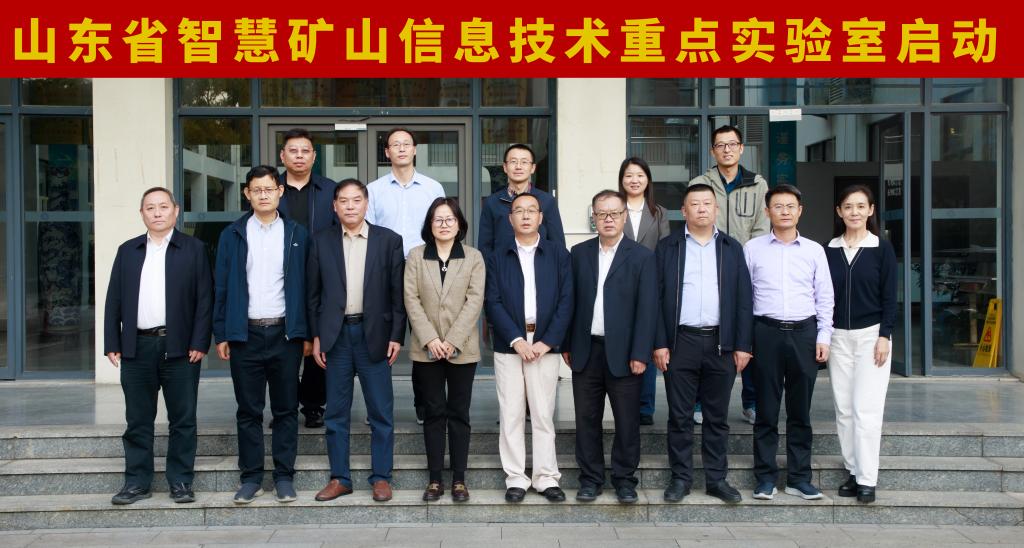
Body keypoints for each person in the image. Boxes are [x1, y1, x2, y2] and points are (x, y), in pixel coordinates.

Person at [104, 187, 212, 505]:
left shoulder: (194, 249)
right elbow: (114, 298)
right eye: (150, 208)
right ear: (142, 214)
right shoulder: (128, 250)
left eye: (163, 206)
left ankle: (181, 481)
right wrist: (112, 341)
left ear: (175, 211)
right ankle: (137, 482)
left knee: (183, 418)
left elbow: (205, 299)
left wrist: (200, 341)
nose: (157, 213)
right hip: (137, 346)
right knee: (138, 419)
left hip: (181, 347)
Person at [213, 165, 310, 505]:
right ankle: (251, 477)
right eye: (257, 190)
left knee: (286, 409)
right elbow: (221, 286)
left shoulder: (297, 233)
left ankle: (284, 476)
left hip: (285, 334)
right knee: (248, 410)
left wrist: (306, 333)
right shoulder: (233, 234)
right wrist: (221, 332)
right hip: (245, 335)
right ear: (247, 194)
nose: (264, 195)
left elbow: (308, 287)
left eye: (269, 189)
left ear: (280, 191)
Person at [653, 183, 752, 504]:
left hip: (720, 343)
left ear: (716, 208)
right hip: (679, 341)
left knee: (717, 417)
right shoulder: (668, 247)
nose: (701, 209)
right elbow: (656, 299)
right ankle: (680, 479)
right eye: (694, 204)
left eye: (707, 203)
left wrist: (743, 344)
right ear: (684, 211)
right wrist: (659, 343)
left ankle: (716, 479)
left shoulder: (731, 248)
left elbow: (744, 300)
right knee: (680, 416)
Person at [309, 179, 406, 503]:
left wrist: (396, 336)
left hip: (373, 335)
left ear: (366, 204)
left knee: (381, 412)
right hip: (336, 337)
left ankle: (381, 477)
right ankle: (340, 478)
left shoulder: (389, 241)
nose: (350, 206)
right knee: (336, 413)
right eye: (344, 201)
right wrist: (317, 336)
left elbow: (398, 294)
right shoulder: (321, 241)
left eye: (356, 200)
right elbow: (313, 295)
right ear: (334, 206)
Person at [563, 190, 657, 504]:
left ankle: (624, 480)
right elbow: (570, 302)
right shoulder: (579, 253)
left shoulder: (642, 256)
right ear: (594, 217)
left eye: (614, 213)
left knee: (627, 422)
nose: (608, 219)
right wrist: (568, 343)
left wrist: (641, 353)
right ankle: (590, 479)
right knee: (586, 420)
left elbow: (647, 310)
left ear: (624, 217)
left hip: (626, 354)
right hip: (586, 350)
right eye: (601, 213)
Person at [744, 184, 834, 501]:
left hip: (804, 334)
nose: (784, 211)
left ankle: (799, 478)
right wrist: (746, 340)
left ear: (800, 211)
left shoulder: (814, 251)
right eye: (778, 206)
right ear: (767, 211)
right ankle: (765, 478)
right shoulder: (752, 249)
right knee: (766, 411)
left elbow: (825, 297)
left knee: (800, 412)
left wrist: (824, 336)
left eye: (790, 206)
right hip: (765, 333)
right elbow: (744, 298)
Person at [485, 193, 573, 504]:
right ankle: (516, 478)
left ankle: (546, 477)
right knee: (510, 413)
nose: (525, 216)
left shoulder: (558, 254)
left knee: (542, 413)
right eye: (519, 211)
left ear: (541, 217)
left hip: (545, 345)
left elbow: (567, 300)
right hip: (510, 345)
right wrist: (516, 339)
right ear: (510, 219)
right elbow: (492, 301)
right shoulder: (497, 256)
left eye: (531, 211)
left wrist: (547, 341)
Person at [404, 197, 485, 503]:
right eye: (438, 219)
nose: (444, 224)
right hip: (426, 349)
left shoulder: (473, 257)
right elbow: (411, 299)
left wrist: (451, 340)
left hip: (462, 349)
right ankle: (435, 479)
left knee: (459, 413)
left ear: (459, 223)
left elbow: (474, 301)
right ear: (429, 224)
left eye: (450, 219)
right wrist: (431, 339)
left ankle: (459, 479)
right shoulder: (416, 256)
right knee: (434, 412)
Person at [689, 125, 769, 426]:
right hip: (707, 268)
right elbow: (697, 222)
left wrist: (743, 262)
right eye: (720, 145)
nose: (727, 150)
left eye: (732, 144)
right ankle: (699, 403)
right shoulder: (700, 183)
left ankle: (751, 402)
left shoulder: (757, 184)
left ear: (741, 148)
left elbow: (762, 226)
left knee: (747, 335)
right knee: (707, 336)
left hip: (746, 269)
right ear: (712, 151)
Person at [365, 127, 444, 426]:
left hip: (424, 270)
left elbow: (442, 228)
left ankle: (425, 404)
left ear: (414, 150)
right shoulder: (373, 190)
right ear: (387, 152)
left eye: (406, 144)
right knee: (381, 339)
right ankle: (377, 408)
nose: (400, 148)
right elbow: (369, 233)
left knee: (426, 338)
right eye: (394, 145)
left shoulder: (432, 188)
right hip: (385, 272)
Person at [825, 185, 897, 504]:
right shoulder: (829, 249)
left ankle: (868, 479)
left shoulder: (881, 248)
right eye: (848, 206)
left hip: (872, 337)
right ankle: (853, 471)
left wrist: (884, 335)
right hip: (838, 337)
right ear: (839, 212)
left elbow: (890, 297)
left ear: (871, 210)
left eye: (860, 206)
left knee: (866, 409)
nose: (854, 212)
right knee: (844, 408)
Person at [277, 128, 338, 429]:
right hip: (280, 277)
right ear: (283, 156)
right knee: (283, 345)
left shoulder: (329, 190)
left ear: (314, 156)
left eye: (305, 151)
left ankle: (313, 406)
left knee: (318, 339)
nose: (299, 156)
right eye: (293, 150)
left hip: (322, 276)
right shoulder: (271, 188)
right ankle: (285, 406)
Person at [619, 156, 671, 426]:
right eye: (629, 175)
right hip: (620, 285)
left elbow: (664, 250)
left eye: (640, 175)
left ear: (648, 180)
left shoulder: (659, 213)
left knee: (648, 345)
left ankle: (645, 406)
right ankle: (624, 402)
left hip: (651, 284)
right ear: (622, 180)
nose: (634, 180)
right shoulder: (615, 208)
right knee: (623, 345)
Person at [478, 144, 565, 261]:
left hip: (540, 266)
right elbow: (485, 247)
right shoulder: (491, 202)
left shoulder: (547, 201)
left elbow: (558, 244)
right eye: (513, 162)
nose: (518, 166)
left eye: (524, 162)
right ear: (505, 167)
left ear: (533, 168)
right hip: (503, 268)